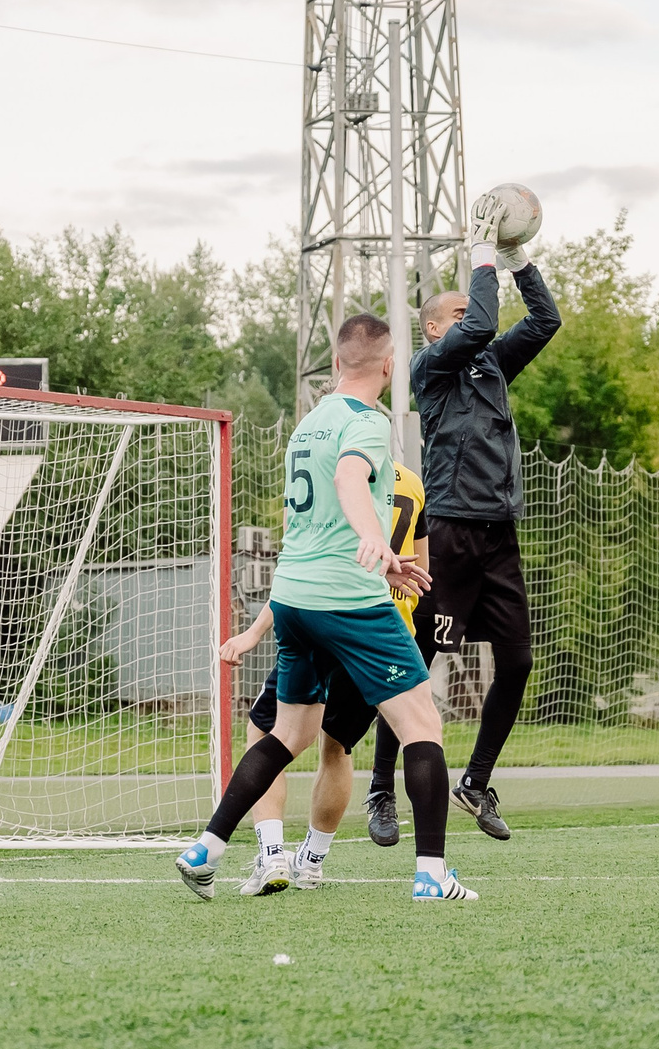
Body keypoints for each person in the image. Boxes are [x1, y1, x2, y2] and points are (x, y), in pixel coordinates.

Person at [176, 314, 472, 902]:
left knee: (288, 733)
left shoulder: (307, 424)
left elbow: (313, 523)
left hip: (293, 598)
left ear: (337, 363)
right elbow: (349, 479)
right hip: (347, 601)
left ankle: (205, 849)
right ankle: (433, 874)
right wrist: (379, 544)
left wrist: (380, 556)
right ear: (389, 367)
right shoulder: (368, 421)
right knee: (422, 725)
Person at [404, 197, 563, 841]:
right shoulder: (430, 369)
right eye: (459, 313)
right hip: (449, 529)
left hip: (499, 530)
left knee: (518, 660)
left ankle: (475, 781)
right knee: (419, 661)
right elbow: (478, 326)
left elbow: (546, 319)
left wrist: (518, 259)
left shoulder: (491, 364)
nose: (473, 318)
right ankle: (383, 789)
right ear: (433, 331)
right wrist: (480, 255)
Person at [219, 459, 428, 892]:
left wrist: (254, 632)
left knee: (268, 735)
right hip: (384, 631)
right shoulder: (412, 483)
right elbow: (422, 573)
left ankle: (272, 853)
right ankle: (312, 862)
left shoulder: (330, 478)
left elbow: (301, 566)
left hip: (328, 619)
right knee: (337, 747)